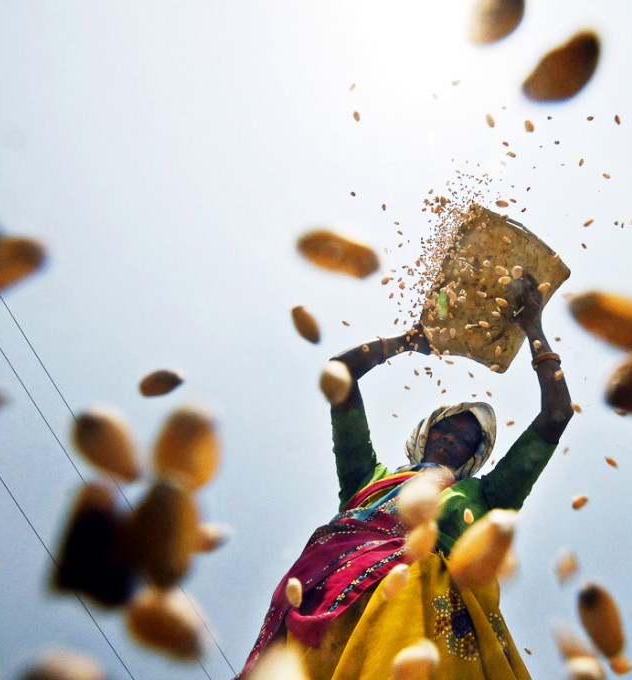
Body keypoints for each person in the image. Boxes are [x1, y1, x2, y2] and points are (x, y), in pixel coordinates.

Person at [236, 274, 573, 679]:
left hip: (427, 622)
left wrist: (533, 327)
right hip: (329, 606)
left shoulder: (485, 496)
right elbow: (340, 372)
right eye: (444, 429)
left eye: (466, 440)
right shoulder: (369, 479)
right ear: (424, 434)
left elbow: (557, 415)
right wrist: (411, 340)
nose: (450, 441)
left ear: (474, 457)